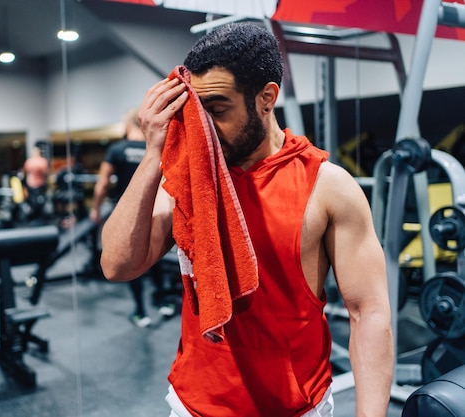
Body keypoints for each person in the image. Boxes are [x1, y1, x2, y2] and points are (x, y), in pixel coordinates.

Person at [100, 22, 393, 417]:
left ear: (266, 98)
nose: (204, 127)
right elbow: (117, 265)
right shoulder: (187, 180)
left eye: (218, 110)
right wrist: (154, 152)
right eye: (196, 111)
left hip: (296, 406)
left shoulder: (326, 186)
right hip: (196, 404)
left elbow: (368, 312)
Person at [91, 109, 175, 327]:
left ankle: (140, 311)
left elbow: (102, 184)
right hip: (157, 208)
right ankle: (164, 302)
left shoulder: (117, 149)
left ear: (128, 125)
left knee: (131, 257)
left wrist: (95, 209)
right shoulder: (155, 147)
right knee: (155, 256)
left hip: (128, 212)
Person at [21, 145, 50, 222]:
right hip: (31, 185)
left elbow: (45, 173)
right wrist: (25, 187)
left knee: (40, 201)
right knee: (32, 202)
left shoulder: (42, 161)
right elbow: (25, 173)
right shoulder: (29, 161)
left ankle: (39, 218)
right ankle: (33, 218)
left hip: (40, 185)